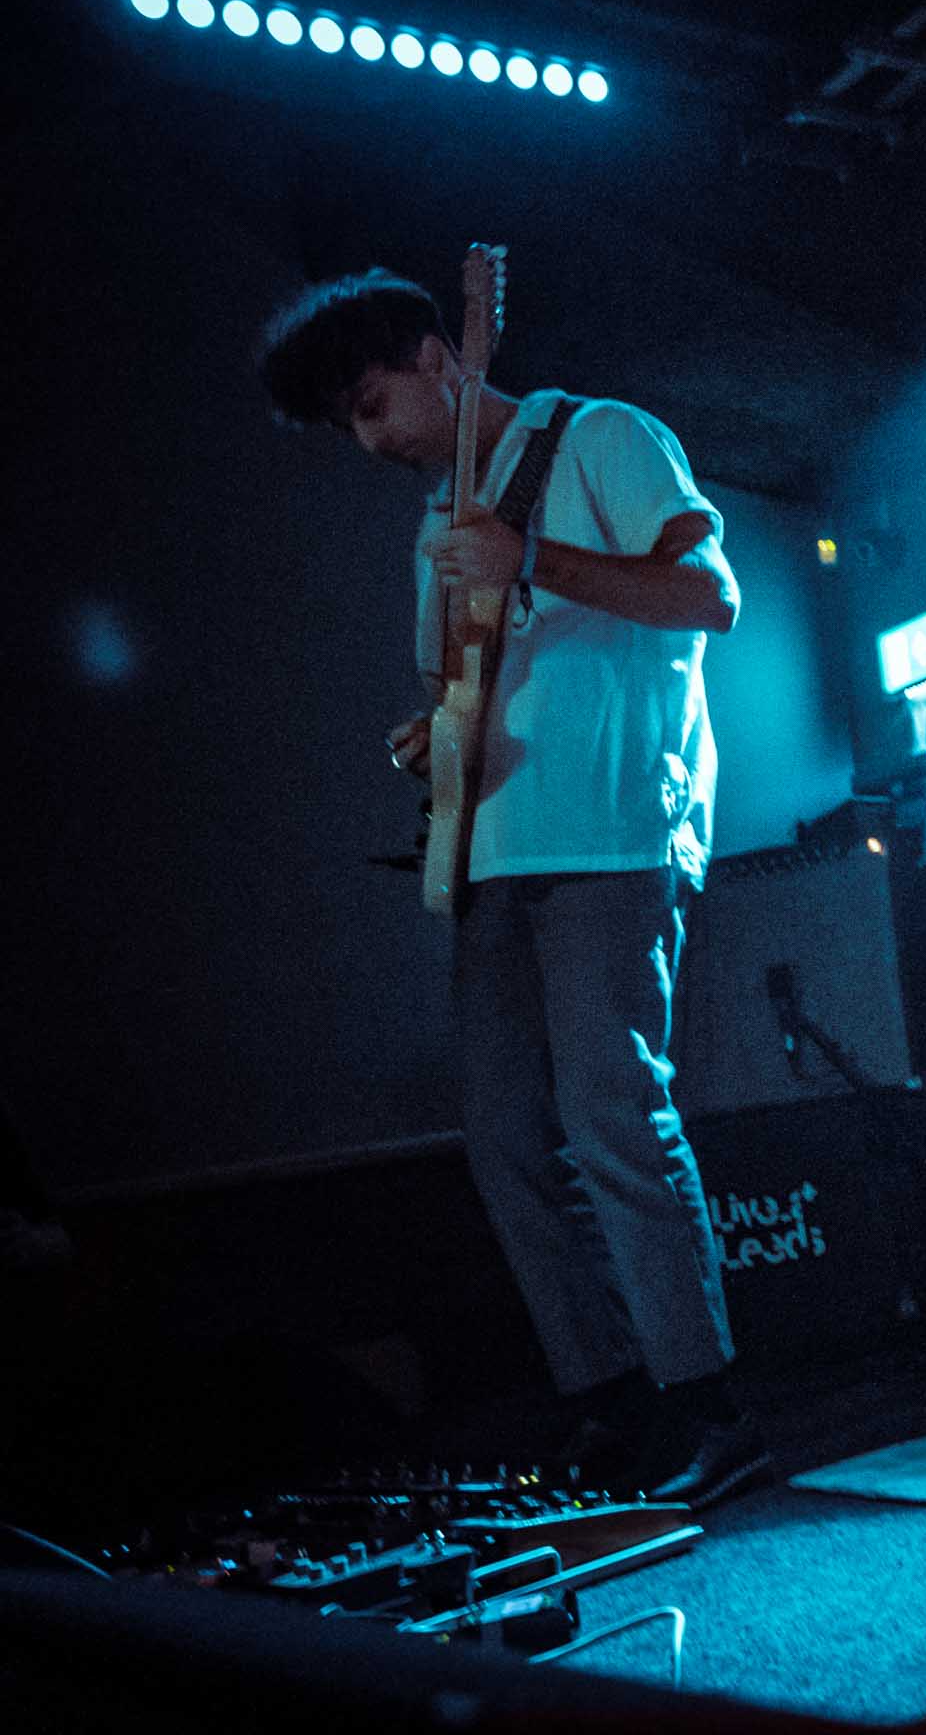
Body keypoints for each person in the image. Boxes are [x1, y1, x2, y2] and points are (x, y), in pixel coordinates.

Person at [259, 269, 768, 1506]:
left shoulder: (599, 435)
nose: (369, 438)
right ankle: (610, 1402)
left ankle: (710, 1404)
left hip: (614, 835)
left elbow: (713, 596)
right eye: (348, 425)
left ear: (443, 356)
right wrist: (432, 734)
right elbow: (465, 693)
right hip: (492, 850)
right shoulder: (433, 521)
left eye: (375, 403)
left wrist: (530, 552)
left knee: (613, 1117)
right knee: (503, 1144)